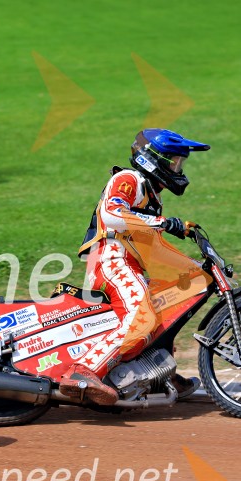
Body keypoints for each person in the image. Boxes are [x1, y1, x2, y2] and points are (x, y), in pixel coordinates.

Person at [66, 129, 209, 404]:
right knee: (141, 313)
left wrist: (195, 269)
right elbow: (112, 213)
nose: (177, 168)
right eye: (174, 161)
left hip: (129, 263)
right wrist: (163, 222)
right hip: (110, 259)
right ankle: (82, 371)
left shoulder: (152, 198)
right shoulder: (129, 179)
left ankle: (160, 375)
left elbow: (152, 249)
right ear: (153, 158)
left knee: (165, 309)